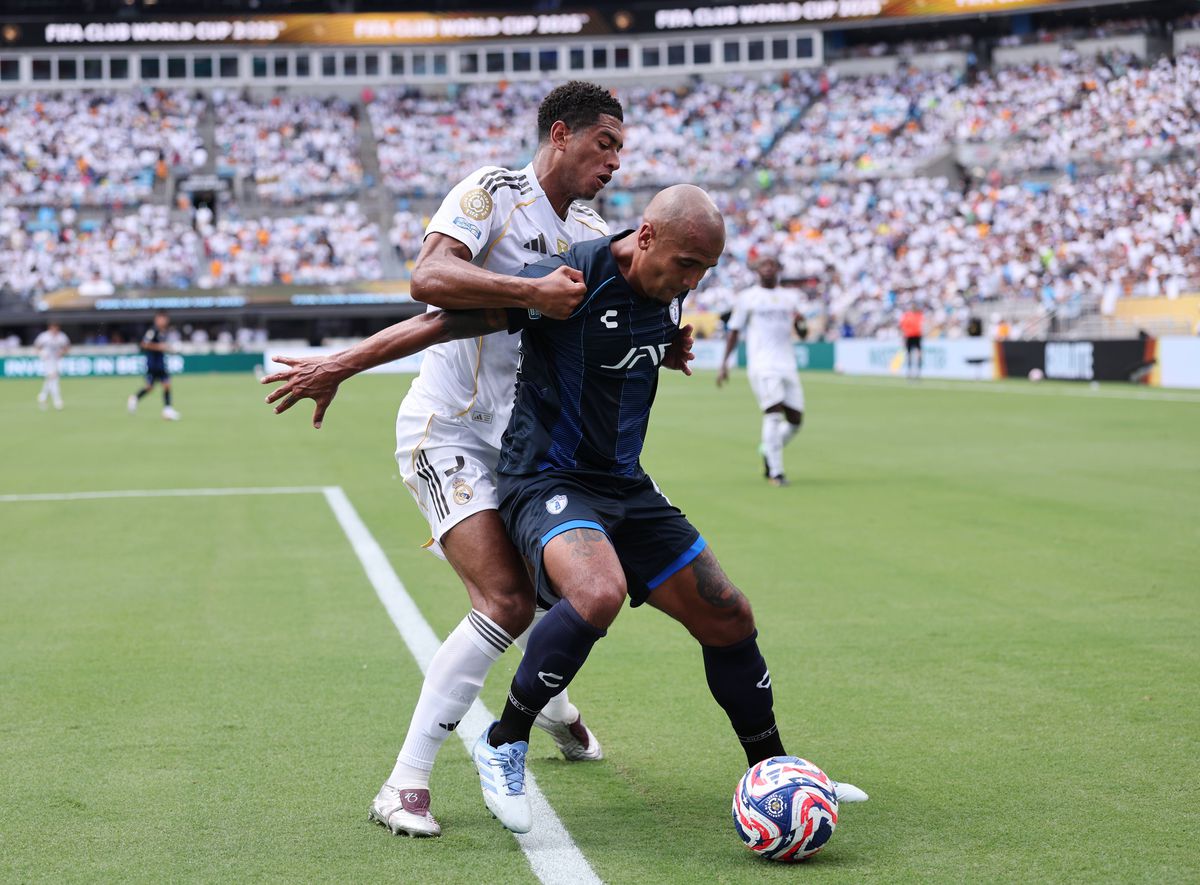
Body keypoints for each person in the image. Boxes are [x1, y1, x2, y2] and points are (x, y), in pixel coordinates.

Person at [384, 185, 866, 833]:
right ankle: (505, 739)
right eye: (686, 263)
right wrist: (341, 363)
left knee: (729, 614)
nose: (692, 279)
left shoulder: (669, 290)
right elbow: (444, 320)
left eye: (704, 270)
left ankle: (774, 769)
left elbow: (637, 334)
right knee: (597, 590)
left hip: (625, 485)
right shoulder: (569, 279)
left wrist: (667, 344)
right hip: (545, 477)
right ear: (645, 238)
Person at [261, 82, 630, 838]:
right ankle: (404, 781)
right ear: (560, 134)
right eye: (605, 145)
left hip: (528, 445)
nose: (616, 163)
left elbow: (602, 320)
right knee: (504, 600)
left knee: (563, 596)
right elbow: (430, 287)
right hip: (447, 432)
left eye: (621, 150)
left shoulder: (590, 228)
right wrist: (527, 291)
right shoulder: (493, 194)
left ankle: (554, 710)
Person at [716, 253, 805, 487]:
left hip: (787, 363)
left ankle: (769, 448)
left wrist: (801, 324)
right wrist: (725, 363)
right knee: (773, 413)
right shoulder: (748, 298)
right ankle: (776, 472)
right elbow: (734, 330)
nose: (767, 268)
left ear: (778, 269)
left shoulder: (789, 298)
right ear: (757, 270)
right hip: (763, 364)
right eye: (763, 265)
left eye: (772, 264)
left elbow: (802, 331)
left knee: (796, 420)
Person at [128, 311, 180, 420]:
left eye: (165, 319)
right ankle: (135, 398)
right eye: (161, 319)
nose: (164, 321)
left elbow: (162, 347)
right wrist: (159, 347)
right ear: (157, 319)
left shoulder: (163, 331)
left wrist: (168, 348)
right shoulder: (153, 331)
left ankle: (167, 410)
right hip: (152, 364)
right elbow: (144, 344)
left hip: (160, 363)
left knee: (166, 384)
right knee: (149, 387)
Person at [34, 322, 70, 410]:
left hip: (57, 361)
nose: (54, 330)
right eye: (53, 328)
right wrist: (41, 354)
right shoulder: (44, 336)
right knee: (54, 379)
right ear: (50, 328)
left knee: (51, 379)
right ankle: (57, 401)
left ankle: (42, 396)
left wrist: (62, 352)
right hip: (47, 360)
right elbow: (37, 346)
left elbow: (67, 347)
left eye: (56, 328)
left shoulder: (62, 336)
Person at [899, 303, 924, 379]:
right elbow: (902, 327)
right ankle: (909, 372)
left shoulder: (919, 315)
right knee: (909, 355)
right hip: (909, 336)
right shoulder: (907, 316)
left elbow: (922, 325)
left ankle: (918, 373)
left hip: (917, 336)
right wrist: (903, 338)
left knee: (919, 355)